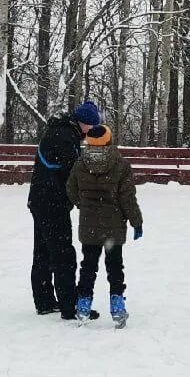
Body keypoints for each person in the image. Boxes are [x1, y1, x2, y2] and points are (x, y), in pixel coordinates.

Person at [66, 124, 144, 327]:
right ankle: (117, 306)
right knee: (115, 266)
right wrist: (137, 221)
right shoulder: (120, 165)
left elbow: (71, 188)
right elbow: (127, 198)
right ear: (109, 140)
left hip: (89, 225)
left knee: (88, 266)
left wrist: (83, 205)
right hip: (113, 226)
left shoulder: (80, 164)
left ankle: (83, 304)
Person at [31, 100, 102, 320]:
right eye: (92, 126)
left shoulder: (61, 132)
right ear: (84, 123)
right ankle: (70, 306)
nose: (93, 131)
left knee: (43, 252)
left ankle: (44, 301)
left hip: (42, 200)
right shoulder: (64, 137)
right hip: (52, 203)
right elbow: (74, 175)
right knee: (63, 254)